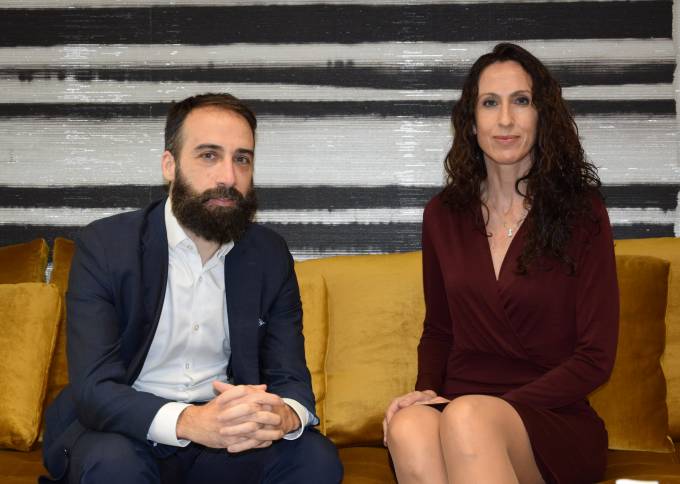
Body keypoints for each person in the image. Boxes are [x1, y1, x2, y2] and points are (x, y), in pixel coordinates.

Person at [41, 93, 343, 484]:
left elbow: (289, 377)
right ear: (170, 165)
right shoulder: (106, 245)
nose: (228, 177)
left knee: (315, 459)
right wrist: (189, 421)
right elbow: (94, 388)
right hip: (125, 430)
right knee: (115, 465)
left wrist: (284, 414)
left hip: (223, 438)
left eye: (242, 159)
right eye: (209, 156)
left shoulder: (268, 254)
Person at [383, 43, 618, 484]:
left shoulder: (583, 214)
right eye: (490, 103)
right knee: (408, 425)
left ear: (542, 115)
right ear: (472, 122)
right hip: (461, 405)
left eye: (521, 101)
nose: (505, 119)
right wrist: (425, 393)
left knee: (470, 418)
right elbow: (439, 330)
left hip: (551, 415)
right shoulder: (442, 215)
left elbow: (596, 358)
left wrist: (497, 407)